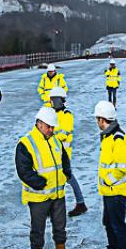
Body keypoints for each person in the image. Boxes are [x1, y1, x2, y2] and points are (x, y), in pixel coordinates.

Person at [14, 106, 78, 249]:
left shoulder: (55, 140)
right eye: (49, 127)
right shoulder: (26, 143)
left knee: (60, 227)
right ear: (39, 124)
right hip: (39, 197)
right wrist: (40, 183)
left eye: (53, 127)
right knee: (38, 230)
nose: (51, 130)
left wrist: (66, 175)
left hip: (58, 194)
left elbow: (65, 160)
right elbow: (24, 171)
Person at [91, 101, 126, 249]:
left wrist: (107, 181)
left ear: (102, 119)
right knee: (108, 223)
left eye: (97, 119)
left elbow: (122, 167)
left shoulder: (118, 139)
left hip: (116, 192)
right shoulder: (108, 137)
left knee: (118, 226)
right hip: (108, 192)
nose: (96, 122)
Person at [49, 86, 87, 217]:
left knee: (66, 178)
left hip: (63, 154)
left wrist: (49, 138)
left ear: (59, 100)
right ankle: (78, 204)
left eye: (53, 100)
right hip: (54, 153)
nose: (51, 102)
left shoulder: (67, 115)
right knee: (60, 179)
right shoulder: (52, 114)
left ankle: (80, 204)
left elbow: (64, 133)